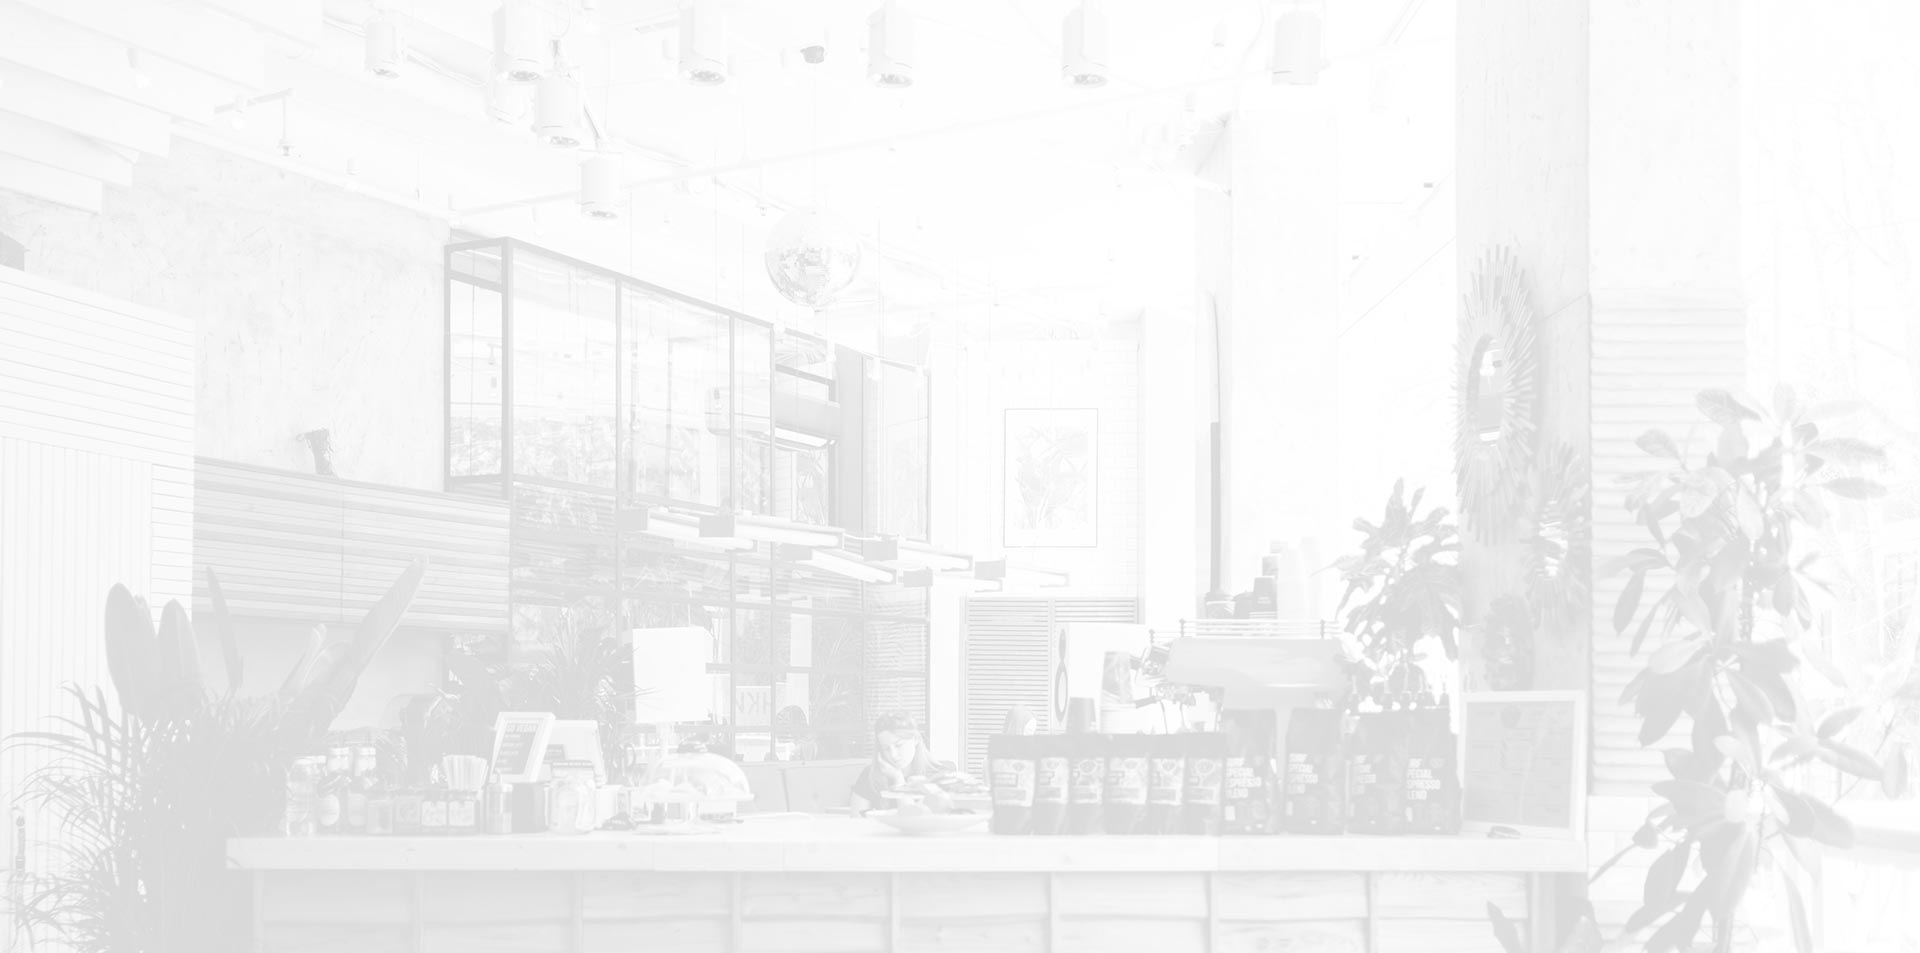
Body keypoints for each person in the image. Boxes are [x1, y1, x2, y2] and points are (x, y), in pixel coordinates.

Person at [848, 712, 952, 815]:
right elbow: (857, 818)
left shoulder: (940, 776)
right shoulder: (870, 774)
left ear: (915, 739)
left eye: (898, 745)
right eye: (886, 748)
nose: (893, 755)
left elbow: (914, 820)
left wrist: (898, 780)